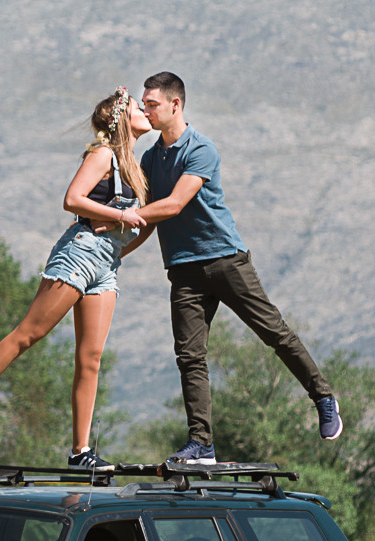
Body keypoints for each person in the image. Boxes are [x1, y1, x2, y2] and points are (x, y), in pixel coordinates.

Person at [125, 71, 341, 465]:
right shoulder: (150, 158)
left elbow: (172, 205)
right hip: (183, 271)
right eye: (143, 104)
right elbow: (148, 218)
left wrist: (124, 217)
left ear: (176, 105)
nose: (146, 111)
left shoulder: (201, 149)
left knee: (274, 333)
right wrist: (116, 252)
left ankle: (323, 398)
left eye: (152, 104)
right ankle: (202, 444)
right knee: (189, 356)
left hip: (226, 260)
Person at [0, 87, 152, 469]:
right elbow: (72, 199)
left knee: (90, 358)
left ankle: (81, 452)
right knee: (29, 334)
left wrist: (124, 240)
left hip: (106, 265)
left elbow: (138, 226)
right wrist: (122, 217)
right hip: (79, 254)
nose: (145, 111)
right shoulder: (102, 154)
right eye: (139, 107)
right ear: (122, 117)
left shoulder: (134, 165)